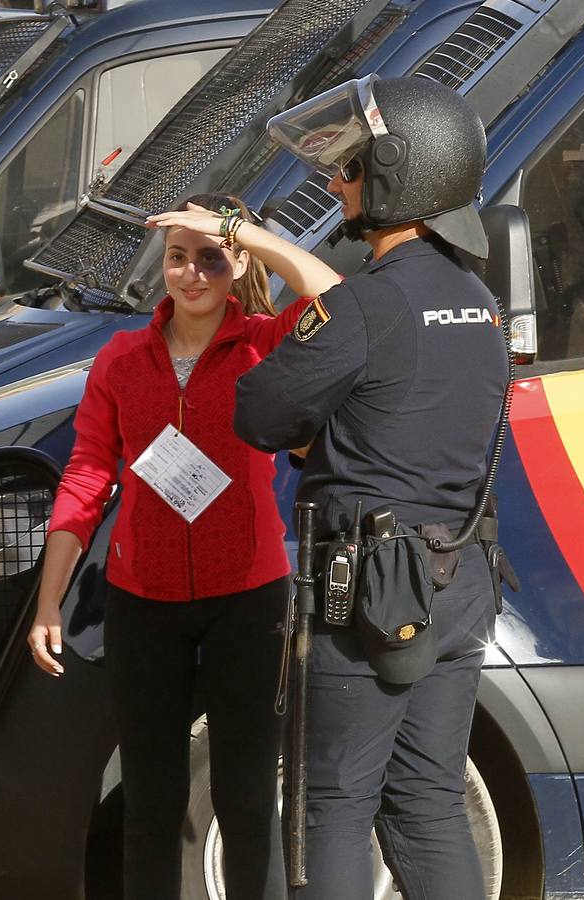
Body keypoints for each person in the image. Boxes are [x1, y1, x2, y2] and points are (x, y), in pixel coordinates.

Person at [234, 76, 508, 900]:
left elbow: (258, 411)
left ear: (397, 176)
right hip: (459, 579)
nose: (333, 182)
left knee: (329, 804)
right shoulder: (476, 300)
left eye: (349, 168)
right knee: (426, 802)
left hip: (369, 585)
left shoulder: (366, 307)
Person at [28, 192, 341, 899]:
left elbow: (336, 298)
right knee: (151, 801)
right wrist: (49, 598)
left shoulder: (265, 343)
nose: (191, 274)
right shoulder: (120, 358)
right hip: (142, 599)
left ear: (237, 266)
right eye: (177, 258)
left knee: (248, 800)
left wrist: (242, 231)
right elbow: (85, 475)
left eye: (209, 259)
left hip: (248, 597)